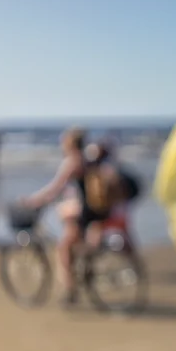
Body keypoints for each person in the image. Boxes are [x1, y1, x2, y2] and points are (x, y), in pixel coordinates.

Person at [22, 128, 126, 306]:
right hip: (99, 209)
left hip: (85, 212)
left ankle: (70, 290)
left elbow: (55, 189)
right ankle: (88, 265)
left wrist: (33, 201)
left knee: (64, 248)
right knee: (80, 241)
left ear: (69, 143)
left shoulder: (72, 162)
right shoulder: (90, 159)